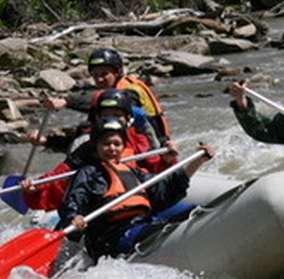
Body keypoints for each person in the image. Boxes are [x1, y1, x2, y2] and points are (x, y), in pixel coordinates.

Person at [57, 117, 215, 260]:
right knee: (160, 231)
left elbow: (166, 189)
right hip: (111, 237)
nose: (112, 148)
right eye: (106, 144)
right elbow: (73, 201)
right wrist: (74, 217)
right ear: (95, 146)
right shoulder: (88, 173)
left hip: (141, 222)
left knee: (195, 210)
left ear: (123, 146)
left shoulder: (130, 170)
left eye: (117, 144)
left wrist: (199, 161)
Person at [19, 88, 178, 212]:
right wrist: (35, 189)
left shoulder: (139, 140)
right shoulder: (87, 148)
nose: (112, 119)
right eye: (106, 115)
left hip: (139, 202)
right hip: (104, 210)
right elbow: (60, 177)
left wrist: (168, 160)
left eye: (117, 115)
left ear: (128, 118)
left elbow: (156, 171)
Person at [46, 47, 172, 145]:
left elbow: (113, 106)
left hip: (150, 150)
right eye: (95, 75)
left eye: (104, 74)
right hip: (122, 146)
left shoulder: (131, 90)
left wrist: (67, 101)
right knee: (83, 130)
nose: (99, 79)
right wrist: (46, 141)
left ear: (118, 72)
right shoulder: (109, 94)